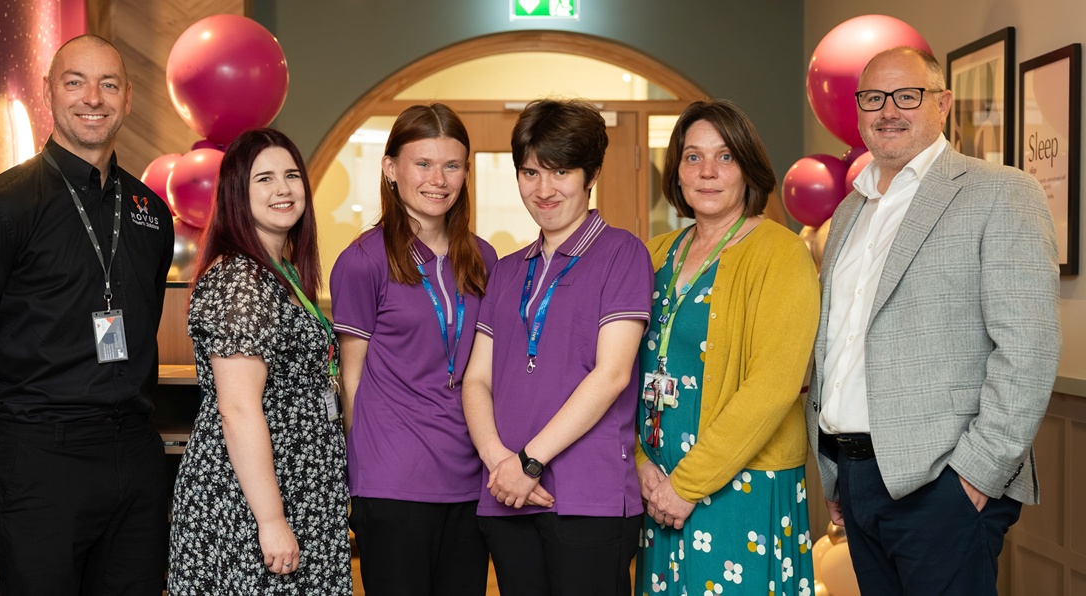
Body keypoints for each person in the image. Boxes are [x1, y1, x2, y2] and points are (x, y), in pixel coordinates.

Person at [807, 46, 1061, 596]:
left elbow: (1029, 349)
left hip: (944, 485)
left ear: (942, 104)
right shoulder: (850, 211)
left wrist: (975, 474)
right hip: (856, 477)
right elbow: (838, 345)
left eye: (907, 95)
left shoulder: (1001, 193)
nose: (888, 110)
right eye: (873, 98)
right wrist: (838, 473)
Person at [0, 35, 172, 595]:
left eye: (108, 84)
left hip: (135, 452)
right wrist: (9, 434)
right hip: (40, 456)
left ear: (128, 98)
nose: (93, 98)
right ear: (49, 92)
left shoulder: (151, 213)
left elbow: (147, 317)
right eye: (75, 82)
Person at [461, 98, 653, 596]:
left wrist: (529, 462)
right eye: (530, 173)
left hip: (589, 497)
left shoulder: (622, 254)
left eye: (560, 171)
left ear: (591, 175)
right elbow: (476, 379)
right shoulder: (507, 270)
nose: (543, 190)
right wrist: (500, 462)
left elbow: (612, 375)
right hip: (507, 496)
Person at [635, 99, 820, 596]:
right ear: (677, 172)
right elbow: (624, 369)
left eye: (725, 157)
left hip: (742, 487)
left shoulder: (781, 254)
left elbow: (774, 386)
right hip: (657, 486)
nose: (708, 172)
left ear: (747, 167)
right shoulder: (654, 253)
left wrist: (687, 485)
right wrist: (640, 461)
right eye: (693, 157)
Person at [167, 128, 351, 595]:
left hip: (295, 488)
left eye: (291, 175)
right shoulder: (240, 280)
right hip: (253, 499)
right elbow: (238, 409)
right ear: (236, 193)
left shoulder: (279, 269)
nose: (283, 189)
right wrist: (270, 520)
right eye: (264, 179)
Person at [330, 104, 497, 595]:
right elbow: (351, 379)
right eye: (423, 163)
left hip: (470, 475)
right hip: (393, 477)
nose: (438, 180)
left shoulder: (483, 257)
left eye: (452, 165)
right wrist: (364, 469)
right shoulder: (363, 260)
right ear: (390, 168)